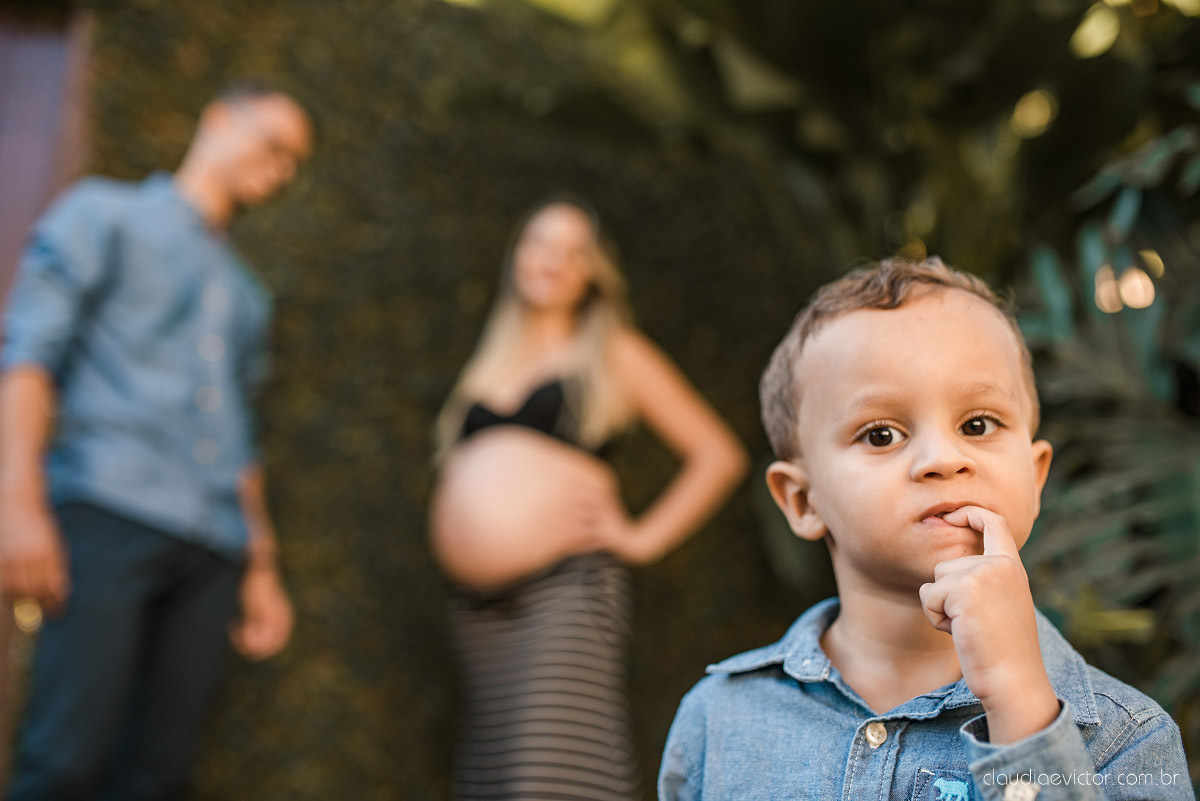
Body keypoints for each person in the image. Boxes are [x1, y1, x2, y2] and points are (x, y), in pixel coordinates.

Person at [658, 258, 1193, 801]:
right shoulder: (718, 723)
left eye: (977, 424)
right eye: (882, 434)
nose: (942, 458)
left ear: (1034, 478)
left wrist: (1020, 706)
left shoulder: (1128, 740)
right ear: (802, 500)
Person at [0, 81, 313, 800]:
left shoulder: (247, 298)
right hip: (107, 511)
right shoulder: (103, 215)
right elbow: (28, 356)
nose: (283, 168)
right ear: (217, 120)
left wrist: (261, 566)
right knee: (63, 761)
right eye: (274, 144)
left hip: (212, 548)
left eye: (295, 162)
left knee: (160, 779)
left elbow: (241, 437)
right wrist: (18, 502)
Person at [430, 197, 748, 801]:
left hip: (565, 591)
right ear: (517, 256)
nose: (555, 260)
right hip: (478, 609)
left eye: (574, 249)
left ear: (593, 271)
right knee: (492, 780)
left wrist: (642, 537)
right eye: (541, 242)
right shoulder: (491, 359)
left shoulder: (614, 352)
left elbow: (718, 454)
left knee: (553, 775)